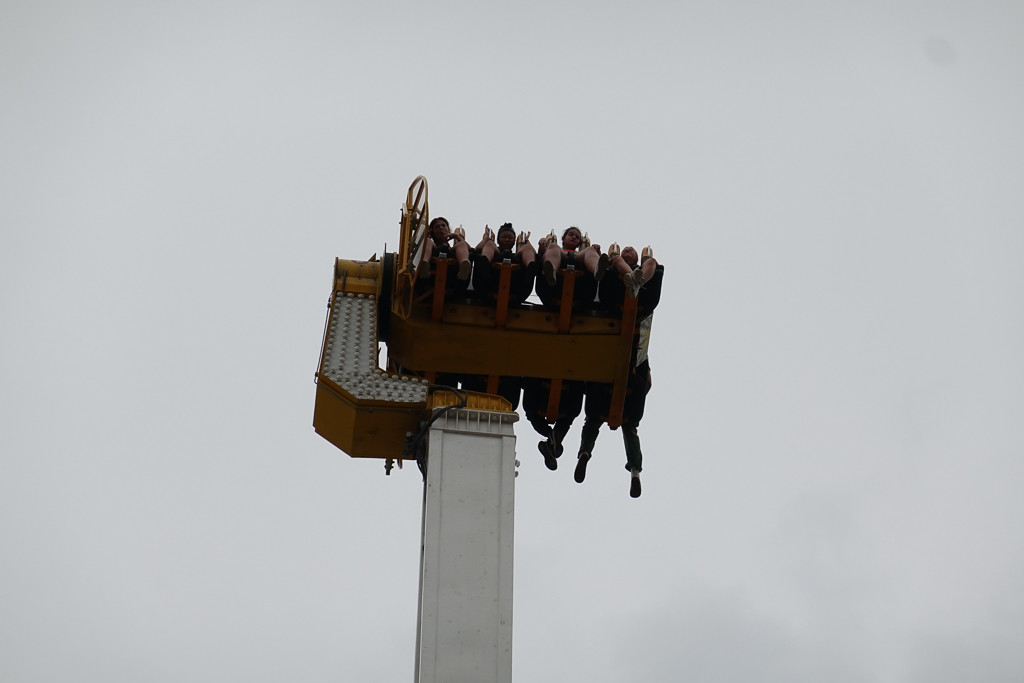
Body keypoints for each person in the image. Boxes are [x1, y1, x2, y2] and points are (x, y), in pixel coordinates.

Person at [573, 361, 651, 498]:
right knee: (630, 429)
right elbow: (648, 382)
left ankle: (585, 452)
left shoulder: (601, 349)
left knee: (592, 422)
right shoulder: (641, 354)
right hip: (630, 398)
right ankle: (635, 470)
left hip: (601, 394)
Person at [521, 377, 584, 471]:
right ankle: (553, 437)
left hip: (539, 395)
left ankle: (551, 435)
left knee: (532, 413)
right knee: (568, 417)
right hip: (567, 397)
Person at [539, 226, 608, 287]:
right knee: (553, 246)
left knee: (590, 250)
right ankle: (551, 272)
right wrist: (543, 243)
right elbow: (541, 254)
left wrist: (597, 252)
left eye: (577, 237)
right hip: (560, 257)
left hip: (578, 262)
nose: (574, 237)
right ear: (563, 238)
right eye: (571, 235)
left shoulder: (583, 253)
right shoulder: (555, 248)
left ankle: (597, 270)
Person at [419, 216, 472, 281]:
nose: (441, 228)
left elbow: (470, 250)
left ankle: (463, 266)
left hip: (453, 273)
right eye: (437, 227)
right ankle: (424, 265)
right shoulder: (430, 243)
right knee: (428, 241)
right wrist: (425, 237)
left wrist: (456, 236)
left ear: (448, 229)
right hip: (432, 272)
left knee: (461, 244)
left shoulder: (455, 248)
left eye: (443, 226)